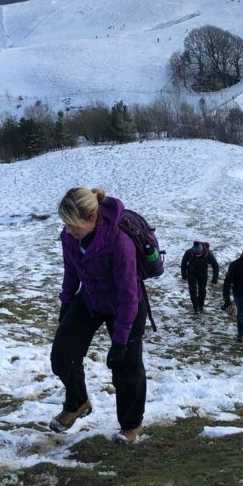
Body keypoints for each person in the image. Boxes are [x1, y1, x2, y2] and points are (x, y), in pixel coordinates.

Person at [50, 186, 147, 444]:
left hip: (125, 305)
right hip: (91, 298)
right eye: (65, 224)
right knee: (63, 354)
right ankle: (78, 402)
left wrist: (119, 341)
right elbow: (71, 271)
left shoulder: (119, 243)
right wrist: (66, 304)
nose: (68, 231)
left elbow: (128, 296)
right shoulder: (69, 238)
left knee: (126, 366)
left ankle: (131, 426)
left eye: (73, 225)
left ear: (92, 219)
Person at [180, 240, 219, 314]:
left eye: (199, 254)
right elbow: (183, 264)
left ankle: (201, 305)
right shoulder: (189, 252)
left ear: (202, 251)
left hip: (203, 273)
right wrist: (184, 276)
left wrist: (215, 279)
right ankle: (195, 306)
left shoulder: (207, 253)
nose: (197, 255)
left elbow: (215, 266)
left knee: (202, 290)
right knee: (192, 290)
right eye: (196, 254)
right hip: (191, 273)